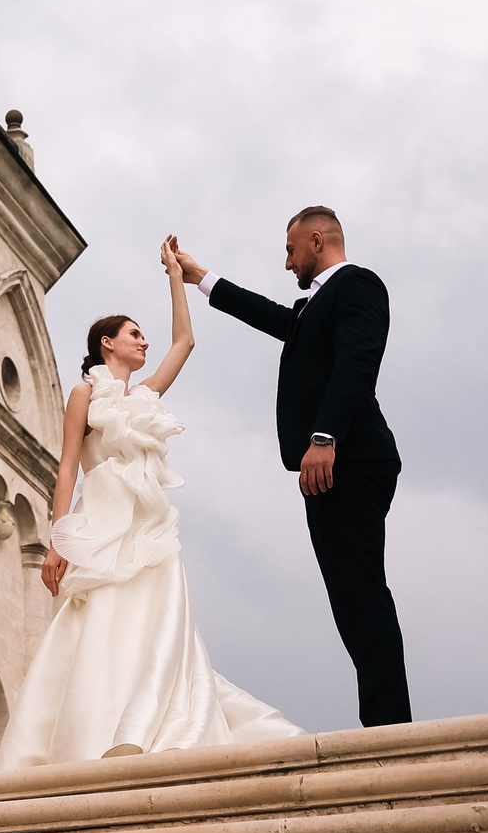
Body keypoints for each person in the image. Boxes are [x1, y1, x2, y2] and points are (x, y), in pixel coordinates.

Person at [0, 237, 301, 768]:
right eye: (134, 334)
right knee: (101, 621)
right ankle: (95, 729)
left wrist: (176, 278)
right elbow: (66, 466)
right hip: (99, 527)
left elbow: (185, 341)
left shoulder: (144, 396)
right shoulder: (84, 395)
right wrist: (56, 540)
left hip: (150, 529)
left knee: (154, 624)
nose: (144, 342)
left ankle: (150, 724)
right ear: (106, 343)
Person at [172, 207, 411, 727]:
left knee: (361, 593)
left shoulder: (358, 285)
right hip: (326, 470)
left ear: (317, 241)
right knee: (349, 599)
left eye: (290, 250)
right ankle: (384, 722)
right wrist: (201, 278)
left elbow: (358, 358)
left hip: (349, 459)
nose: (287, 263)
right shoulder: (313, 307)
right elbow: (275, 317)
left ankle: (391, 728)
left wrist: (325, 436)